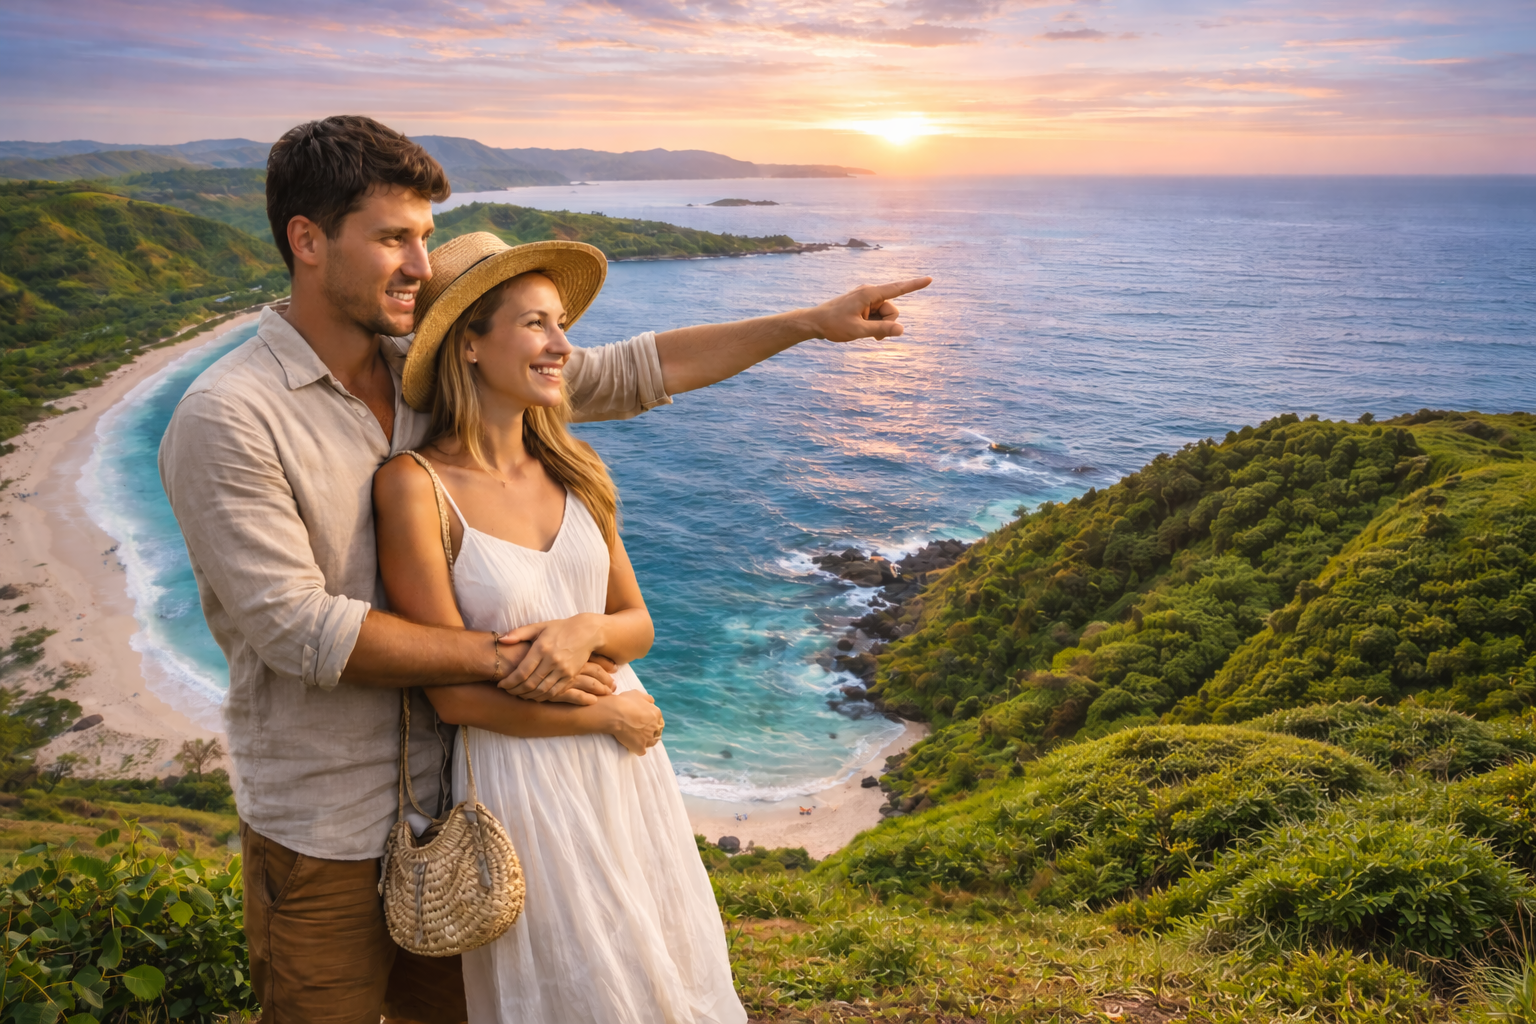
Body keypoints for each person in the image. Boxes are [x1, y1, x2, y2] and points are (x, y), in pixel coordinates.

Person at [157, 114, 928, 1024]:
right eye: (394, 238)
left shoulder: (428, 367)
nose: (419, 265)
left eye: (426, 238)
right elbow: (299, 630)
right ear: (308, 240)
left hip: (478, 804)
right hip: (328, 823)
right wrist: (533, 655)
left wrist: (807, 322)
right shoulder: (229, 416)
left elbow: (631, 370)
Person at [376, 231, 746, 1022]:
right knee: (576, 990)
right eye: (536, 324)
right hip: (526, 779)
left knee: (660, 968)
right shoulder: (415, 486)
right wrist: (605, 714)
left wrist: (584, 630)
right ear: (469, 344)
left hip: (626, 770)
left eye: (562, 325)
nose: (562, 346)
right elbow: (452, 697)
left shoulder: (577, 468)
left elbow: (636, 626)